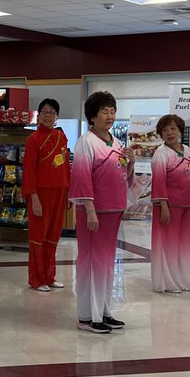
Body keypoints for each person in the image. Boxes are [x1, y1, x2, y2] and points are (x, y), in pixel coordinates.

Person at [68, 90, 134, 334]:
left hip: (113, 210)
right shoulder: (86, 142)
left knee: (106, 264)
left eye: (112, 110)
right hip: (94, 212)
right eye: (104, 111)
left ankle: (104, 311)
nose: (110, 115)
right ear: (92, 117)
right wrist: (90, 210)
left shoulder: (115, 142)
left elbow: (122, 176)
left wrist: (132, 162)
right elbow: (82, 178)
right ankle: (88, 316)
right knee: (92, 262)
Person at [23, 98, 71, 292]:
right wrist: (33, 198)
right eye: (44, 111)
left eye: (52, 112)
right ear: (39, 115)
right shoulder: (32, 140)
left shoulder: (61, 137)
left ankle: (49, 276)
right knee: (38, 237)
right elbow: (28, 171)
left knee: (53, 235)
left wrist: (68, 193)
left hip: (60, 192)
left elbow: (66, 166)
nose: (48, 115)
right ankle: (36, 279)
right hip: (40, 194)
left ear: (57, 116)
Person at [150, 114, 190, 294]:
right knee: (168, 244)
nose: (169, 133)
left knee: (185, 244)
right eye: (165, 130)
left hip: (188, 205)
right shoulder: (160, 155)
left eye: (173, 128)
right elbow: (159, 182)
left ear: (179, 130)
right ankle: (169, 282)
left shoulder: (188, 151)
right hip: (169, 207)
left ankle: (183, 279)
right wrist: (163, 206)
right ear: (161, 134)